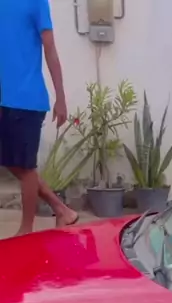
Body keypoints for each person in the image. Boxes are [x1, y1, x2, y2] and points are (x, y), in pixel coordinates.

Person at [0, 0, 78, 236]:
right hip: (3, 99)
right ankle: (61, 209)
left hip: (27, 99)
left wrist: (60, 98)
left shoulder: (37, 2)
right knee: (13, 162)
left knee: (26, 167)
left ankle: (26, 229)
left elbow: (50, 49)